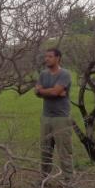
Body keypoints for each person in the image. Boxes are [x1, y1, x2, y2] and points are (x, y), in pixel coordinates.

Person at [34, 47, 73, 178]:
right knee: (45, 150)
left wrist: (44, 91)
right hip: (46, 117)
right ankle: (44, 179)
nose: (47, 59)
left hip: (61, 117)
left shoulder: (65, 74)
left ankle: (69, 181)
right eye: (46, 57)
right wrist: (51, 92)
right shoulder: (43, 74)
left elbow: (54, 92)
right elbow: (37, 92)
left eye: (50, 56)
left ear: (58, 58)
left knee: (64, 150)